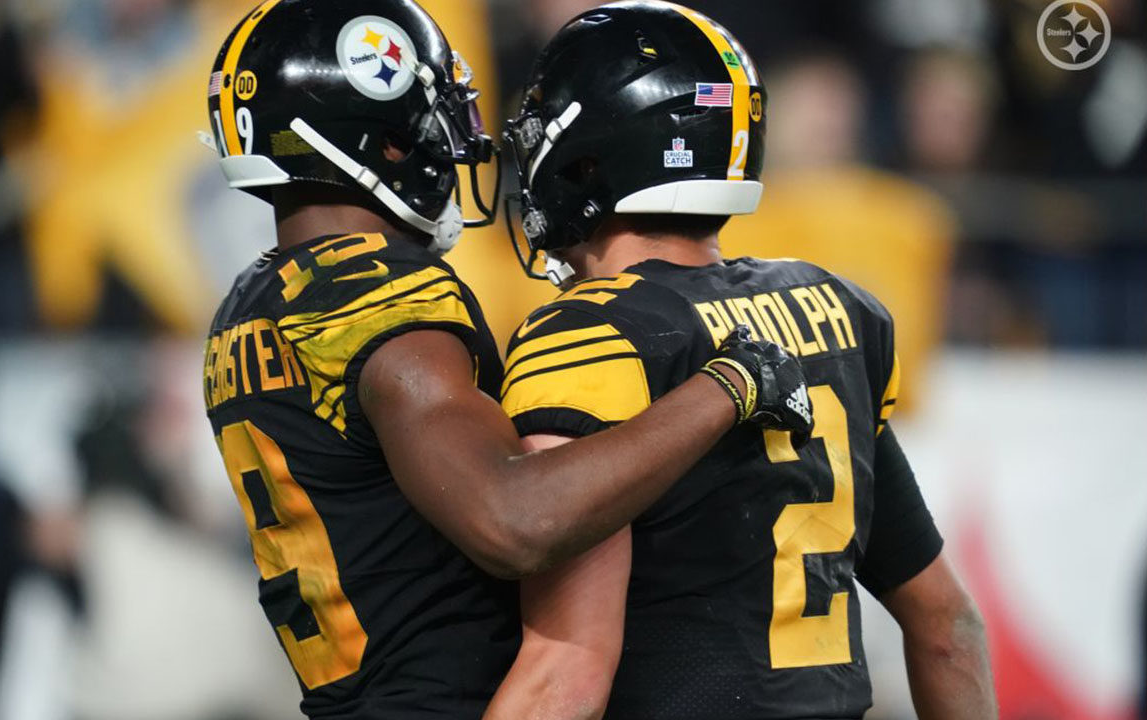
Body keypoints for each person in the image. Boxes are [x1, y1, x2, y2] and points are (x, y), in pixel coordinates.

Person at [199, 1, 811, 718]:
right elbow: (516, 521)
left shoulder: (251, 301)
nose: (462, 139)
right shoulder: (386, 298)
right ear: (388, 140)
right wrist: (728, 386)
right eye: (439, 113)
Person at [487, 3, 998, 719]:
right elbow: (949, 628)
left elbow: (565, 671)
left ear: (589, 154)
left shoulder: (590, 334)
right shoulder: (834, 308)